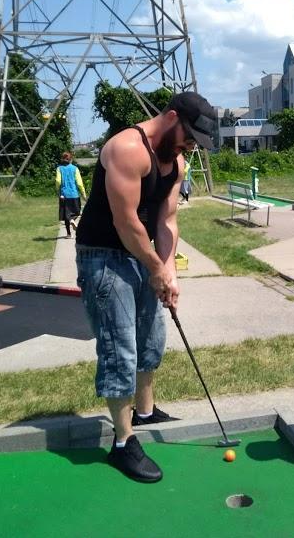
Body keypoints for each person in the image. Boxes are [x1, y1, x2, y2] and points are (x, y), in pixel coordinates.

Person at [74, 91, 216, 483]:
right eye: (189, 137)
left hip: (142, 254)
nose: (191, 147)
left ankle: (146, 411)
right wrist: (155, 267)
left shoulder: (177, 161)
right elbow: (126, 223)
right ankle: (123, 443)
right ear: (171, 118)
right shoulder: (126, 149)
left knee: (151, 337)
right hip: (103, 255)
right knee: (120, 347)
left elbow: (166, 221)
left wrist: (168, 270)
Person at [56, 152, 87, 239]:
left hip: (64, 195)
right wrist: (83, 194)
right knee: (77, 212)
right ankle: (72, 219)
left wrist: (58, 191)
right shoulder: (75, 168)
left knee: (66, 215)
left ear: (62, 159)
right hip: (74, 194)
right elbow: (79, 183)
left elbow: (58, 181)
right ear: (71, 159)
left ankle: (69, 234)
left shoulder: (59, 168)